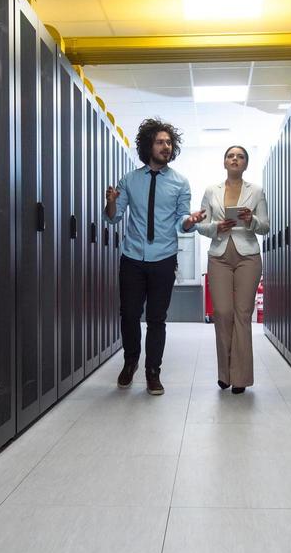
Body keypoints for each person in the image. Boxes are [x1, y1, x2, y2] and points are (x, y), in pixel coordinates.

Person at [105, 118, 205, 395]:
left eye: (169, 143)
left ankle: (153, 371)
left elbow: (181, 220)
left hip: (163, 257)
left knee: (157, 318)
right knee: (128, 315)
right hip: (133, 257)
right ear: (148, 145)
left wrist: (190, 220)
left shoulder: (179, 183)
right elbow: (114, 219)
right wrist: (111, 201)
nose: (166, 146)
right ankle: (130, 362)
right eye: (160, 142)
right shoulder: (130, 180)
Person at [194, 145, 269, 392]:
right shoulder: (211, 190)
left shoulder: (256, 191)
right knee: (223, 313)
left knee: (242, 314)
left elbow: (265, 227)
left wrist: (251, 220)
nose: (234, 159)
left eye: (240, 157)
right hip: (219, 255)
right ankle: (224, 374)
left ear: (246, 164)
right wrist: (217, 226)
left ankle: (240, 378)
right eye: (230, 156)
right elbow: (201, 226)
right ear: (224, 162)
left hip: (248, 256)